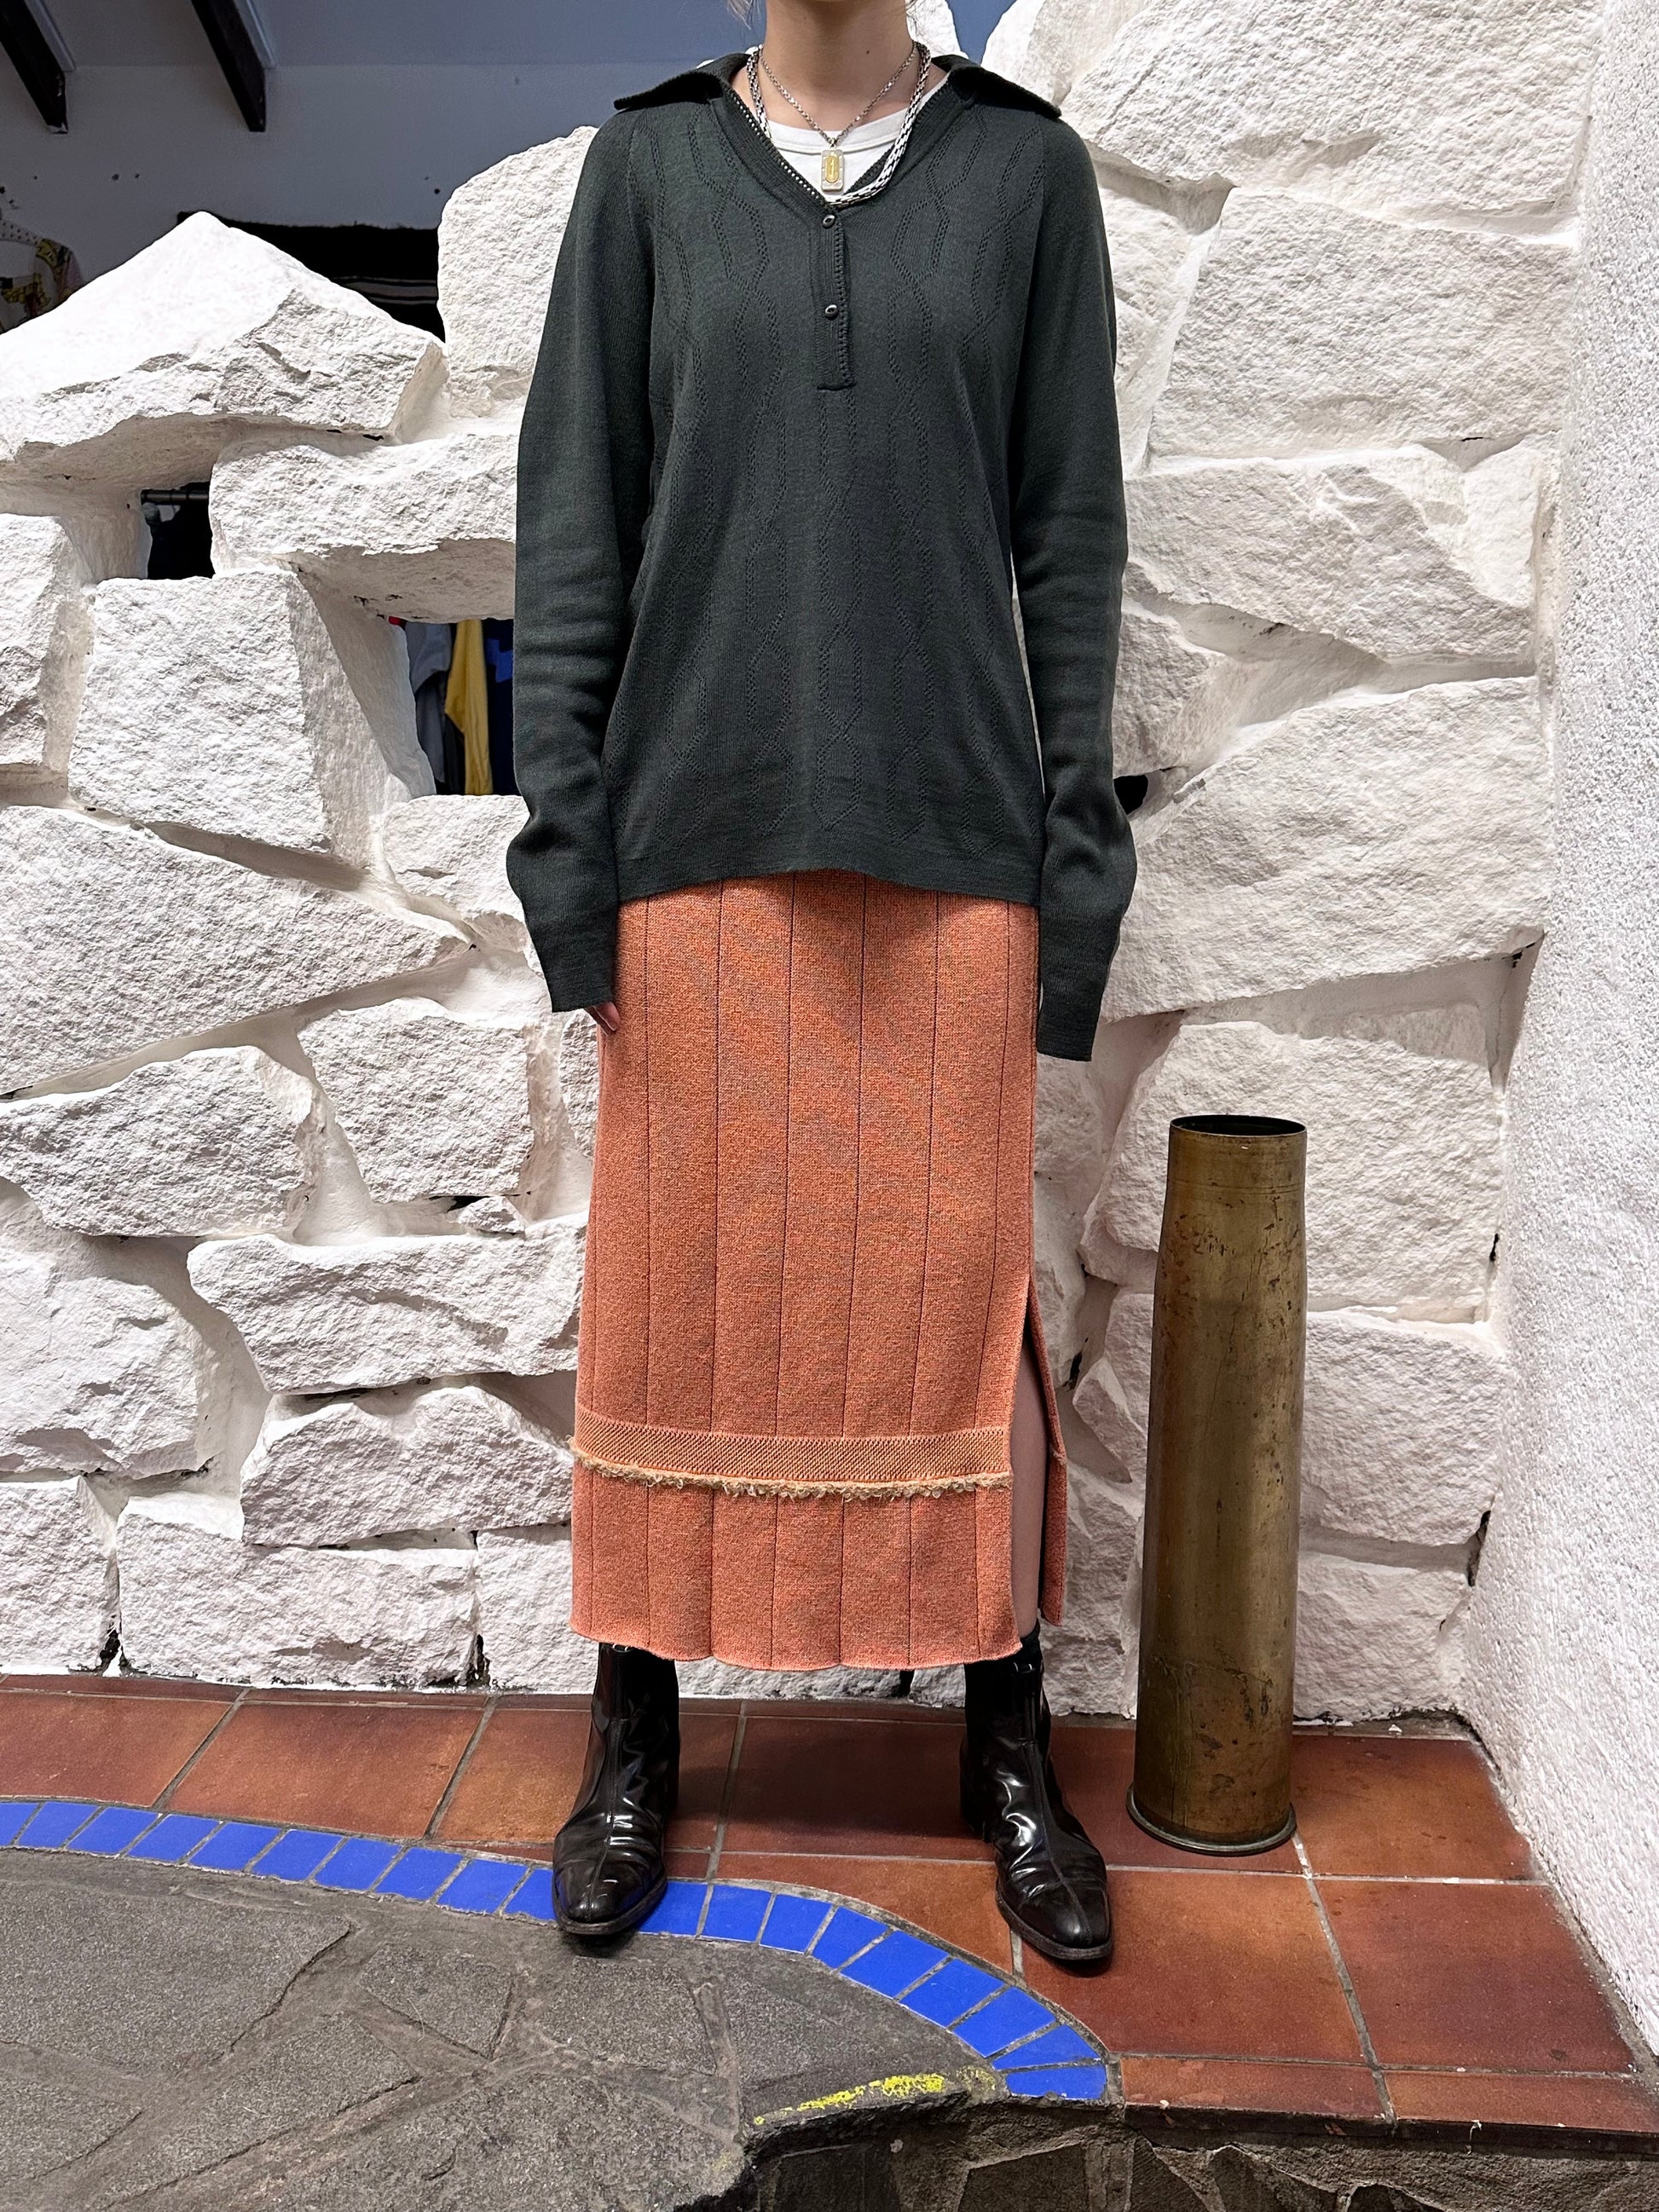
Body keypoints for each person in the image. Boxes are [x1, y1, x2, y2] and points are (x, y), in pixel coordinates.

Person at [508, 0, 1134, 1969]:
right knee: (676, 1291)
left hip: (951, 842)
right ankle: (633, 1722)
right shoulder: (646, 173)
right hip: (695, 838)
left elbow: (1070, 544)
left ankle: (1003, 1732)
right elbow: (574, 531)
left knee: (956, 1300)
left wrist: (1072, 860)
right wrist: (571, 854)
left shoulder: (1024, 176)